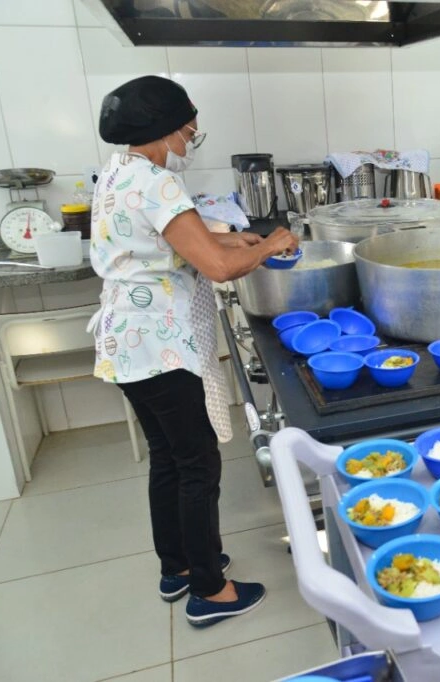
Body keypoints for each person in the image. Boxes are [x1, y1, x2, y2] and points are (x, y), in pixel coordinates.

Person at [89, 75, 298, 627]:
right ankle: (211, 590)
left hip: (127, 344)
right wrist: (271, 243)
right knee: (199, 463)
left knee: (169, 457)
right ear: (164, 132)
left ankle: (177, 567)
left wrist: (237, 238)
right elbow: (217, 266)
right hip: (161, 344)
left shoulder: (118, 171)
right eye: (189, 132)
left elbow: (173, 241)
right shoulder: (157, 182)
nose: (190, 143)